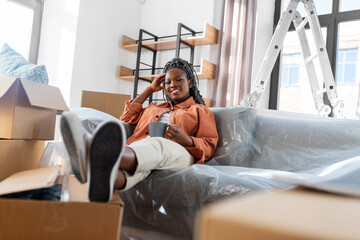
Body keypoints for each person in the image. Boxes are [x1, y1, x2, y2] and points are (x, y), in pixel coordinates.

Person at [61, 58, 219, 202]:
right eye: (168, 82)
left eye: (179, 80)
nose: (173, 85)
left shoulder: (200, 110)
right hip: (144, 151)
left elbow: (209, 144)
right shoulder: (154, 107)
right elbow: (126, 118)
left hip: (182, 155)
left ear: (190, 83)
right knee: (141, 167)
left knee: (158, 144)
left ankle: (93, 151)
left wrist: (184, 138)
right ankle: (103, 181)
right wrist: (150, 89)